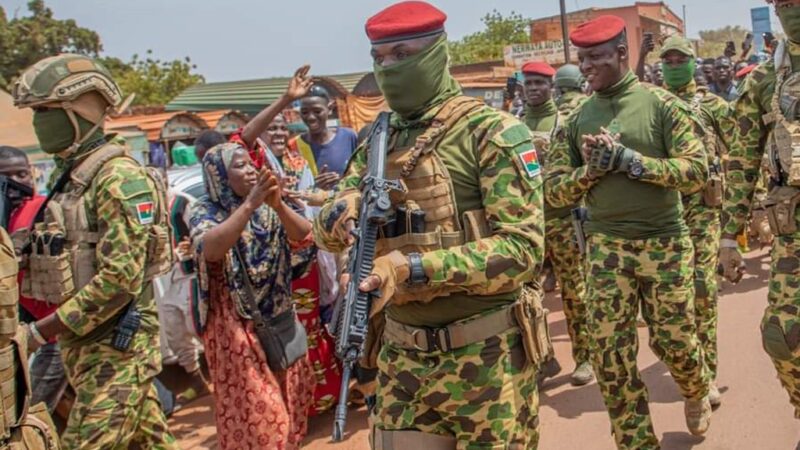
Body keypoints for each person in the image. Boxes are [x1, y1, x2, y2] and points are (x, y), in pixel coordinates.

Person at [314, 2, 545, 448]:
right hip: (401, 361)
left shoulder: (491, 132)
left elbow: (521, 253)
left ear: (437, 53)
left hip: (487, 360)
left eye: (402, 54)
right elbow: (323, 230)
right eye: (379, 58)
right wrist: (345, 210)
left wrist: (409, 267)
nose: (388, 68)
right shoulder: (378, 140)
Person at [545, 16, 711, 448]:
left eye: (596, 56)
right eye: (581, 58)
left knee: (674, 343)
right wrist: (590, 172)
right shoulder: (576, 117)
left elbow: (696, 172)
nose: (586, 66)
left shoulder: (662, 105)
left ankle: (694, 388)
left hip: (665, 244)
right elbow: (553, 193)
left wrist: (630, 162)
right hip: (605, 249)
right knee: (611, 358)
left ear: (622, 53)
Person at [12, 54, 177, 449]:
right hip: (87, 347)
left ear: (80, 110)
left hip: (119, 349)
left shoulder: (118, 179)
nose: (38, 122)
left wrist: (38, 333)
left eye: (45, 110)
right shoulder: (72, 177)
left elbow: (119, 280)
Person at [190, 142, 316, 449]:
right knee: (259, 417)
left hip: (278, 316)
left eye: (251, 164)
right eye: (239, 165)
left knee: (291, 406)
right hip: (235, 325)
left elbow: (304, 236)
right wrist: (249, 204)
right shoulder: (204, 209)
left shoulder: (268, 206)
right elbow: (211, 250)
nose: (250, 170)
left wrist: (277, 205)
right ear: (218, 175)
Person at [719, 0, 800, 422]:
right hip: (793, 229)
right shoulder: (766, 80)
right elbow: (741, 160)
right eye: (784, 2)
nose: (792, 8)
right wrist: (729, 236)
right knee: (782, 337)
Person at [660, 35, 737, 409]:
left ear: (693, 63)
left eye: (680, 60)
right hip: (660, 212)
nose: (674, 66)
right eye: (668, 61)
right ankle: (683, 360)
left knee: (702, 289)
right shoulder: (650, 105)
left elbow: (740, 151)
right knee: (668, 299)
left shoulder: (712, 107)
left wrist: (738, 213)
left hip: (703, 208)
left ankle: (706, 374)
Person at [523, 61, 592, 386]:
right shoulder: (514, 124)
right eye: (529, 83)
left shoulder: (564, 122)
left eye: (539, 83)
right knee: (528, 297)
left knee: (575, 292)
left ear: (552, 87)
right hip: (528, 224)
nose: (533, 88)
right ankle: (542, 358)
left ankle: (585, 356)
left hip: (564, 219)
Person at [0, 145, 68, 415]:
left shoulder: (41, 210)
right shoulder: (6, 215)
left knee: (27, 411)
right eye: (8, 177)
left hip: (56, 332)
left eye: (23, 174)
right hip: (28, 332)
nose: (18, 183)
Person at [290, 85, 358, 190]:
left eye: (317, 111)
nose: (311, 117)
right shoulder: (294, 146)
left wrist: (341, 182)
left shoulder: (348, 137)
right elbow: (293, 188)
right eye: (305, 112)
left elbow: (362, 172)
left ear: (329, 109)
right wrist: (315, 188)